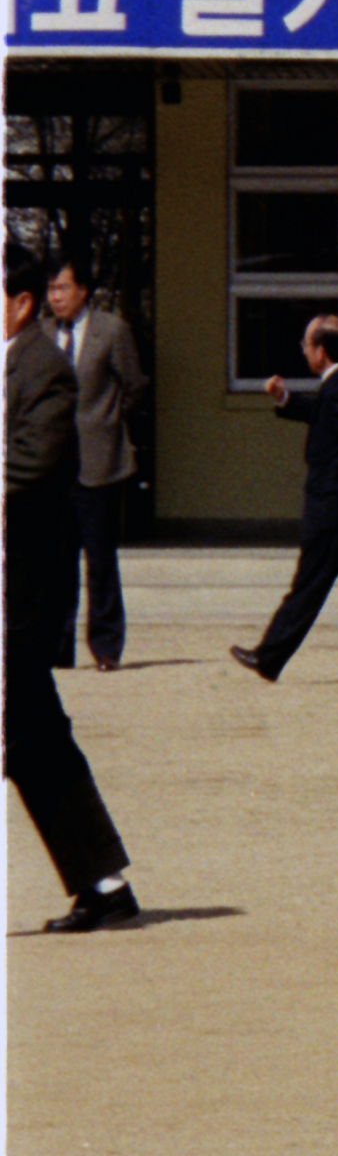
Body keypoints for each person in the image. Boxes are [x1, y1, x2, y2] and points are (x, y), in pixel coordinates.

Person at [7, 245, 135, 929]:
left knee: (31, 736)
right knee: (35, 739)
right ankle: (105, 883)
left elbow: (29, 466)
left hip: (22, 594)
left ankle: (105, 882)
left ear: (20, 302)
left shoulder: (45, 371)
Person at [231, 313, 338, 685]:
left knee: (309, 584)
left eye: (306, 344)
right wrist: (284, 398)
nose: (303, 351)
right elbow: (322, 415)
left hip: (335, 505)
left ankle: (269, 656)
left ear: (321, 350)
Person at [44, 250, 143, 670]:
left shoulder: (111, 330)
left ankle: (105, 646)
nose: (56, 297)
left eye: (63, 287)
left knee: (100, 560)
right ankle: (57, 646)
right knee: (55, 559)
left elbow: (134, 385)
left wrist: (108, 420)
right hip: (52, 463)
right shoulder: (41, 333)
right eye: (50, 289)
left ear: (83, 290)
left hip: (99, 461)